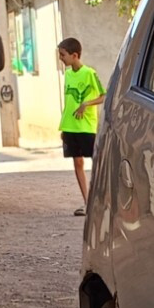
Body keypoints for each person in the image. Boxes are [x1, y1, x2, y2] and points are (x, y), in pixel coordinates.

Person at [57, 37, 104, 216]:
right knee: (77, 162)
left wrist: (86, 104)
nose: (61, 58)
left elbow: (103, 96)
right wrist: (63, 126)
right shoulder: (68, 75)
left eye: (63, 55)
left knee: (96, 161)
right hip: (70, 125)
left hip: (86, 126)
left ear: (74, 55)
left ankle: (99, 199)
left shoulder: (90, 73)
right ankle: (87, 202)